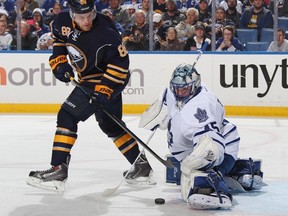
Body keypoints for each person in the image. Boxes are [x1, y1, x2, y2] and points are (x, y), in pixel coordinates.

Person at [26, 0, 155, 192]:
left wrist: (104, 91)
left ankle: (58, 169)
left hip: (109, 78)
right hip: (89, 77)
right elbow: (60, 41)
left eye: (89, 15)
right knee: (110, 125)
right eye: (81, 17)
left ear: (94, 12)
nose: (86, 21)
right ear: (71, 14)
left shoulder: (106, 32)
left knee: (67, 115)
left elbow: (121, 64)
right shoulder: (62, 20)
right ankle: (141, 167)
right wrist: (60, 63)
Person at [140, 63, 265, 209]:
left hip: (225, 141)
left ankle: (218, 184)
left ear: (194, 87)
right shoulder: (173, 92)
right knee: (192, 164)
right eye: (177, 89)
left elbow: (212, 147)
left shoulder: (200, 106)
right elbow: (146, 121)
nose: (179, 93)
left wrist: (192, 166)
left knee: (198, 160)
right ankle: (237, 169)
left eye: (184, 89)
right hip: (193, 145)